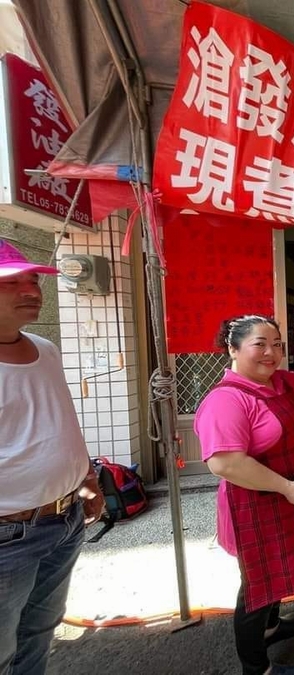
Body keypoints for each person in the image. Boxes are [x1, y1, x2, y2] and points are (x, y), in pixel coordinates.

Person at [195, 315, 294, 675]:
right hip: (255, 506)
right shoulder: (225, 400)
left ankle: (272, 627)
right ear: (232, 349)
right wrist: (284, 486)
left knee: (280, 570)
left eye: (277, 344)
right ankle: (256, 667)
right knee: (256, 587)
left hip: (287, 497)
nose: (271, 353)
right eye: (259, 344)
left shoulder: (280, 384)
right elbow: (225, 464)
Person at [0, 240, 104, 675]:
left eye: (33, 279)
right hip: (8, 536)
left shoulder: (46, 349)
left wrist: (88, 481)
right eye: (13, 282)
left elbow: (60, 423)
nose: (32, 289)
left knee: (39, 631)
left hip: (64, 520)